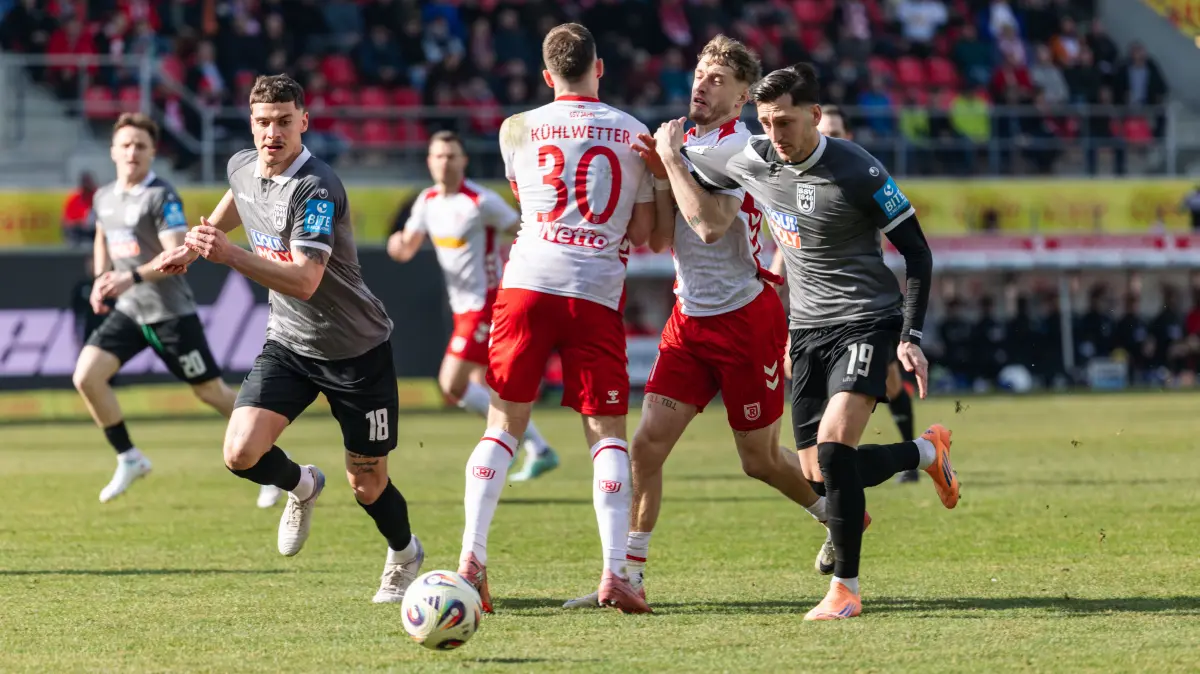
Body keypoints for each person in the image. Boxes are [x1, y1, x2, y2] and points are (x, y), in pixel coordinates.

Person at [678, 63, 960, 620]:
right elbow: (693, 164)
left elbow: (918, 252)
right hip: (806, 331)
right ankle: (927, 451)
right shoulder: (753, 158)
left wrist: (911, 335)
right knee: (816, 472)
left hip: (867, 320)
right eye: (765, 122)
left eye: (784, 122)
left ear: (813, 115)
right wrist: (665, 151)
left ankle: (845, 590)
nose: (774, 135)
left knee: (833, 447)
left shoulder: (857, 169)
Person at [564, 35, 829, 610]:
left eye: (717, 80)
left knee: (759, 461)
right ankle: (627, 577)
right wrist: (662, 172)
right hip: (689, 320)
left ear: (741, 100)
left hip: (744, 319)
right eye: (700, 75)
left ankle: (836, 516)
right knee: (645, 448)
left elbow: (709, 227)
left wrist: (672, 160)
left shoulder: (740, 147)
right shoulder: (686, 141)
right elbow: (662, 238)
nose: (701, 86)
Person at [156, 75, 423, 603]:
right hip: (290, 343)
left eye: (283, 121)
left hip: (355, 350)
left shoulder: (316, 187)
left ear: (304, 121)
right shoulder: (242, 165)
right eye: (263, 122)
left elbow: (304, 281)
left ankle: (404, 553)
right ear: (251, 123)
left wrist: (228, 255)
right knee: (240, 452)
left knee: (367, 483)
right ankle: (303, 485)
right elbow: (240, 197)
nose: (272, 133)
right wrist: (198, 243)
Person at [456, 23, 654, 614]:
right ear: (599, 68)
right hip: (595, 292)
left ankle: (472, 558)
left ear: (546, 76)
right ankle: (615, 573)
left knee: (502, 425)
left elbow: (528, 201)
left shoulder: (515, 127)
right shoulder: (634, 131)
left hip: (526, 284)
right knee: (606, 432)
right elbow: (645, 233)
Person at [73, 113, 258, 506]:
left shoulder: (162, 196)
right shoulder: (103, 197)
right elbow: (103, 234)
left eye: (140, 146)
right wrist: (102, 280)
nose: (132, 152)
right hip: (130, 311)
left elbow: (176, 255)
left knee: (210, 391)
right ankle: (129, 457)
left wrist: (129, 278)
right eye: (125, 145)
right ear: (113, 151)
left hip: (169, 312)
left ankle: (269, 452)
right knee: (87, 376)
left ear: (153, 152)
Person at [387, 130, 559, 481]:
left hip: (487, 303)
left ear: (464, 161)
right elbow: (407, 247)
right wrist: (397, 245)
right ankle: (535, 448)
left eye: (452, 156)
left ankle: (514, 444)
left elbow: (524, 229)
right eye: (439, 156)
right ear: (429, 161)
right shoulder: (427, 201)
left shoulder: (482, 201)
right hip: (461, 305)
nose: (445, 162)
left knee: (451, 383)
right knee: (488, 386)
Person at [770, 105, 921, 484]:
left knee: (889, 382)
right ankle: (912, 452)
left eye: (835, 132)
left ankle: (912, 454)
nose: (828, 137)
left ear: (848, 136)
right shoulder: (795, 177)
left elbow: (905, 236)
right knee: (820, 464)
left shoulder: (858, 174)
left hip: (861, 311)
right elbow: (789, 242)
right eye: (823, 130)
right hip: (811, 317)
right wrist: (774, 289)